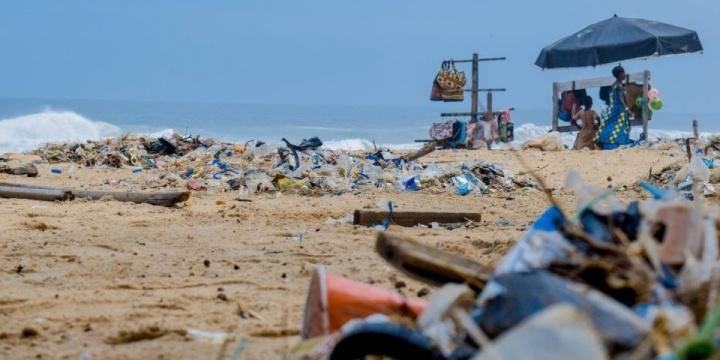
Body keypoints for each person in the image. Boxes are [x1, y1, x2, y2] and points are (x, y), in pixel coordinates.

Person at [595, 65, 632, 149]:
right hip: (619, 110)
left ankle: (604, 142)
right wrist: (627, 109)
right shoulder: (620, 86)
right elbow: (621, 99)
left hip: (611, 109)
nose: (625, 74)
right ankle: (617, 143)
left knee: (609, 126)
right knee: (620, 128)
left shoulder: (613, 85)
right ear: (620, 74)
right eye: (623, 73)